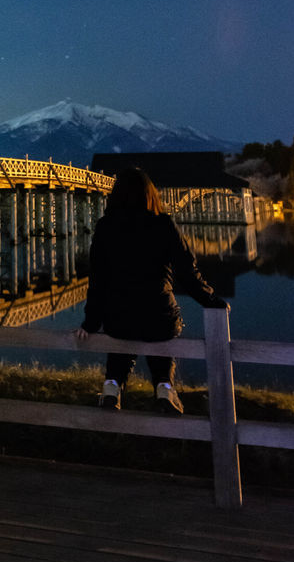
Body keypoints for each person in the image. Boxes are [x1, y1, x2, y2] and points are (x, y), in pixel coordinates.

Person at [75, 165, 228, 414]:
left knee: (120, 339)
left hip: (118, 315)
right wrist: (211, 301)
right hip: (159, 313)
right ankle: (164, 388)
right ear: (150, 194)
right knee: (161, 336)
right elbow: (187, 272)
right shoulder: (163, 224)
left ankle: (112, 389)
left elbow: (98, 279)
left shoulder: (106, 226)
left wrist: (90, 322)